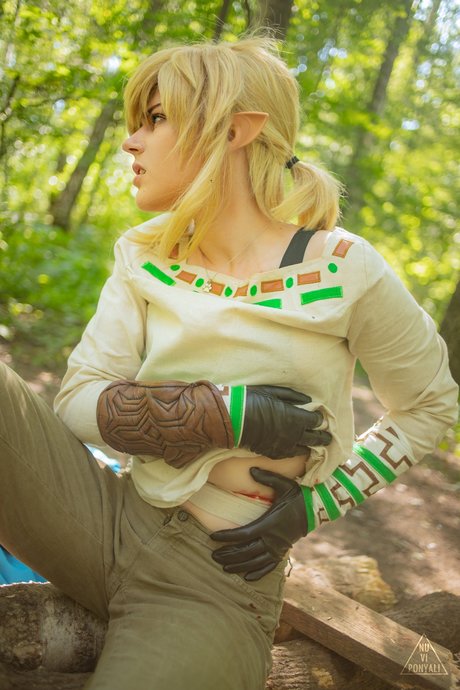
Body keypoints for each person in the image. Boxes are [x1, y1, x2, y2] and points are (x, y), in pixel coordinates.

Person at [0, 30, 457, 690]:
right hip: (100, 515)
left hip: (216, 577)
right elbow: (76, 402)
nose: (131, 141)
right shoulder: (142, 254)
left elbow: (430, 406)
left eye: (157, 119)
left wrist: (314, 506)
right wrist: (223, 413)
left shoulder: (343, 267)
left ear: (238, 131)